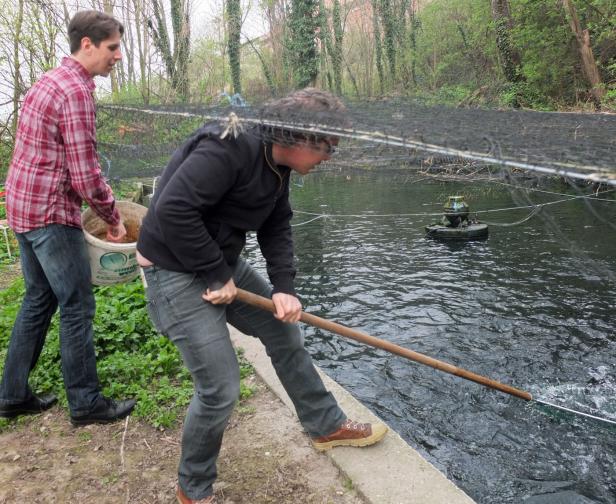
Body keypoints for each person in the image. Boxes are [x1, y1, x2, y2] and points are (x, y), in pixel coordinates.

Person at [136, 88, 388, 504]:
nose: (330, 156)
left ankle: (325, 425)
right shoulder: (228, 146)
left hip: (216, 257)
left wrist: (285, 287)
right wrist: (217, 274)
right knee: (220, 386)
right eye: (328, 147)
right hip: (172, 267)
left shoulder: (278, 162)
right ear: (300, 138)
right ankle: (193, 490)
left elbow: (276, 223)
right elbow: (173, 210)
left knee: (284, 332)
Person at [0, 11, 136, 426]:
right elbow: (85, 175)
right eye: (113, 48)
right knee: (77, 304)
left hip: (21, 208)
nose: (118, 57)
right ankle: (86, 404)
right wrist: (113, 217)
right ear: (88, 45)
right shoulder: (75, 92)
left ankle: (11, 395)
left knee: (39, 298)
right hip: (48, 215)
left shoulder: (47, 80)